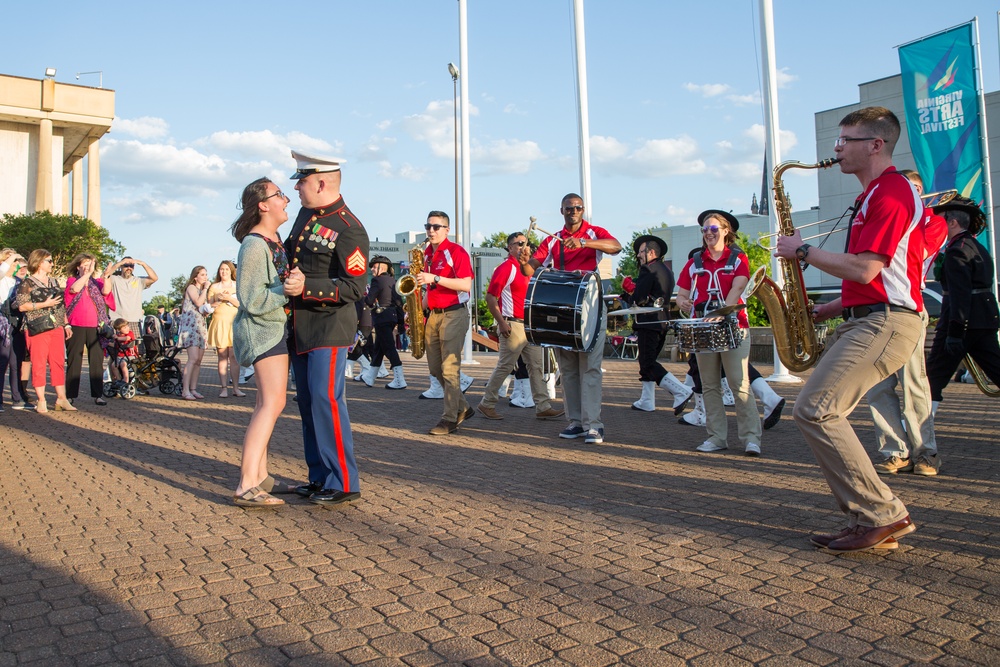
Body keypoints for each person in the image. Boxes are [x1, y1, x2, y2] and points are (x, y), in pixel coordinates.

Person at [774, 106, 924, 553]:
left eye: (846, 140)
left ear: (875, 145)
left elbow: (864, 269)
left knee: (816, 409)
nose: (836, 149)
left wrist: (803, 252)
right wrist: (830, 308)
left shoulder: (891, 194)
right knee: (816, 409)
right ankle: (868, 519)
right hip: (870, 317)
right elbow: (880, 278)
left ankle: (883, 514)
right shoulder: (874, 194)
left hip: (886, 323)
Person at [285, 150, 369, 506]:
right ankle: (319, 476)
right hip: (302, 324)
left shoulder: (349, 228)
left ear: (321, 182)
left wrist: (305, 288)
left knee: (326, 401)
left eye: (301, 182)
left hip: (330, 325)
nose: (297, 189)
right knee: (307, 402)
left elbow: (354, 288)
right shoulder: (307, 215)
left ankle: (344, 481)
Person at [518, 193, 622, 444]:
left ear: (583, 210)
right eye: (568, 208)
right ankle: (575, 422)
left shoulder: (594, 232)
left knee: (590, 367)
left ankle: (594, 424)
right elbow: (533, 268)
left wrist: (585, 243)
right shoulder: (553, 239)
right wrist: (523, 262)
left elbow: (616, 246)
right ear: (562, 211)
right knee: (568, 369)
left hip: (591, 304)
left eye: (577, 208)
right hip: (563, 306)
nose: (573, 212)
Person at [867, 170, 947, 476]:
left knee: (914, 383)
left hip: (907, 307)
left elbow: (918, 253)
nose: (911, 194)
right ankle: (894, 450)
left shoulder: (932, 221)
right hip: (874, 309)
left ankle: (926, 452)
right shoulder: (884, 215)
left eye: (916, 189)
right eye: (905, 189)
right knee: (877, 385)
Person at [230, 177, 300, 507]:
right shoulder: (255, 245)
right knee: (273, 403)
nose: (286, 199)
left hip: (272, 328)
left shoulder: (274, 239)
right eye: (279, 195)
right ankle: (247, 485)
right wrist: (283, 292)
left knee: (266, 403)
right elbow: (249, 298)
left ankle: (260, 477)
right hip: (262, 331)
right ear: (263, 204)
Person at [676, 211, 762, 456]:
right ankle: (716, 437)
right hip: (703, 328)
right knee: (710, 385)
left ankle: (751, 439)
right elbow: (682, 293)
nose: (708, 234)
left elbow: (739, 286)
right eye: (705, 230)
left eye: (713, 229)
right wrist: (683, 302)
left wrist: (722, 311)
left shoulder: (737, 258)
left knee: (739, 384)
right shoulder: (694, 261)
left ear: (726, 230)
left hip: (733, 326)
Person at [926, 196, 1000, 428]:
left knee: (932, 380)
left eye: (940, 221)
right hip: (984, 321)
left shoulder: (957, 250)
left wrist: (955, 332)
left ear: (953, 223)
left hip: (958, 323)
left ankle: (917, 435)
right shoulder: (977, 247)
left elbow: (959, 295)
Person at [478, 231, 564, 421]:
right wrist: (501, 323)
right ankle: (487, 403)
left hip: (528, 325)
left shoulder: (529, 268)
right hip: (513, 324)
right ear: (510, 248)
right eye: (518, 244)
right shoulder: (506, 268)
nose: (523, 247)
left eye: (526, 243)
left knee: (536, 366)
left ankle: (543, 406)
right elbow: (491, 298)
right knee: (505, 366)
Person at [620, 234, 692, 413]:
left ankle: (681, 391)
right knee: (647, 361)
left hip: (648, 322)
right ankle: (647, 400)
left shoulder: (648, 269)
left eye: (640, 252)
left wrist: (627, 293)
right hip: (662, 321)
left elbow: (639, 299)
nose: (638, 256)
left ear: (651, 252)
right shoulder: (666, 270)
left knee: (647, 363)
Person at [417, 211, 475, 435]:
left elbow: (466, 285)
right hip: (434, 313)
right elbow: (429, 288)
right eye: (428, 226)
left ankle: (449, 419)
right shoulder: (426, 254)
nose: (431, 230)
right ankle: (463, 407)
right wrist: (415, 309)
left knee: (449, 369)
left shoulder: (456, 252)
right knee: (435, 369)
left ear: (447, 230)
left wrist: (436, 278)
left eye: (436, 227)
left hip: (454, 313)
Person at [14, 249, 74, 413]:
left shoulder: (54, 281)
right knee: (39, 362)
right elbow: (22, 305)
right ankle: (41, 400)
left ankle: (61, 399)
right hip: (37, 327)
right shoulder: (27, 283)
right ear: (39, 262)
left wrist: (66, 324)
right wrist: (43, 304)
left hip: (56, 326)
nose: (52, 264)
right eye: (49, 260)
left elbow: (61, 305)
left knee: (58, 362)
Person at [64, 253, 115, 407]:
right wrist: (87, 274)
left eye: (89, 264)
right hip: (76, 325)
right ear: (78, 267)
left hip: (95, 327)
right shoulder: (72, 280)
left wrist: (106, 276)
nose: (87, 267)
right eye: (84, 264)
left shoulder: (96, 283)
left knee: (96, 362)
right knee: (74, 360)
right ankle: (70, 395)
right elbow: (74, 289)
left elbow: (106, 292)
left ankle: (98, 395)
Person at [360, 255, 406, 389]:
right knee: (378, 349)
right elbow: (399, 303)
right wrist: (401, 322)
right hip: (391, 317)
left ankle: (400, 380)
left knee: (389, 348)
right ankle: (370, 377)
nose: (372, 270)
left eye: (374, 267)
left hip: (381, 318)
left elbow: (369, 300)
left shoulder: (377, 281)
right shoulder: (393, 281)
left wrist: (366, 299)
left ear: (381, 268)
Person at [208, 260, 246, 398]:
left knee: (234, 357)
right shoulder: (214, 286)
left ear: (231, 271)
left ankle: (236, 387)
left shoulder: (238, 285)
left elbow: (242, 304)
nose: (224, 272)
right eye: (221, 269)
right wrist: (218, 298)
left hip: (234, 323)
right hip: (220, 323)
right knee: (222, 356)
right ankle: (223, 388)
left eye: (226, 269)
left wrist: (229, 297)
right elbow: (209, 305)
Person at [176, 266, 210, 400]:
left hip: (200, 325)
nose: (205, 277)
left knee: (198, 360)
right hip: (191, 327)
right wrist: (206, 289)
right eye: (202, 274)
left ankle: (193, 388)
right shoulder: (192, 288)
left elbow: (202, 307)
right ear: (195, 276)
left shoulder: (202, 291)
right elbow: (197, 302)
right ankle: (185, 390)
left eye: (206, 274)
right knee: (193, 358)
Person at [104, 257, 158, 339]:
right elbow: (104, 276)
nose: (129, 268)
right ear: (121, 267)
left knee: (135, 348)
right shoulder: (114, 279)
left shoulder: (139, 280)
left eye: (131, 266)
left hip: (134, 320)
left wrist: (143, 263)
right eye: (126, 265)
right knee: (115, 348)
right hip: (116, 320)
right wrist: (119, 263)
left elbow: (154, 278)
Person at [109, 317, 138, 386]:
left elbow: (127, 338)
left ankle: (126, 380)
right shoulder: (118, 335)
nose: (127, 328)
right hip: (121, 355)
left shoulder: (130, 333)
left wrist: (117, 338)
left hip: (130, 355)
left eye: (127, 326)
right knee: (113, 365)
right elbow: (115, 345)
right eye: (124, 327)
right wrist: (107, 343)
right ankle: (118, 379)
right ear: (119, 330)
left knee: (123, 364)